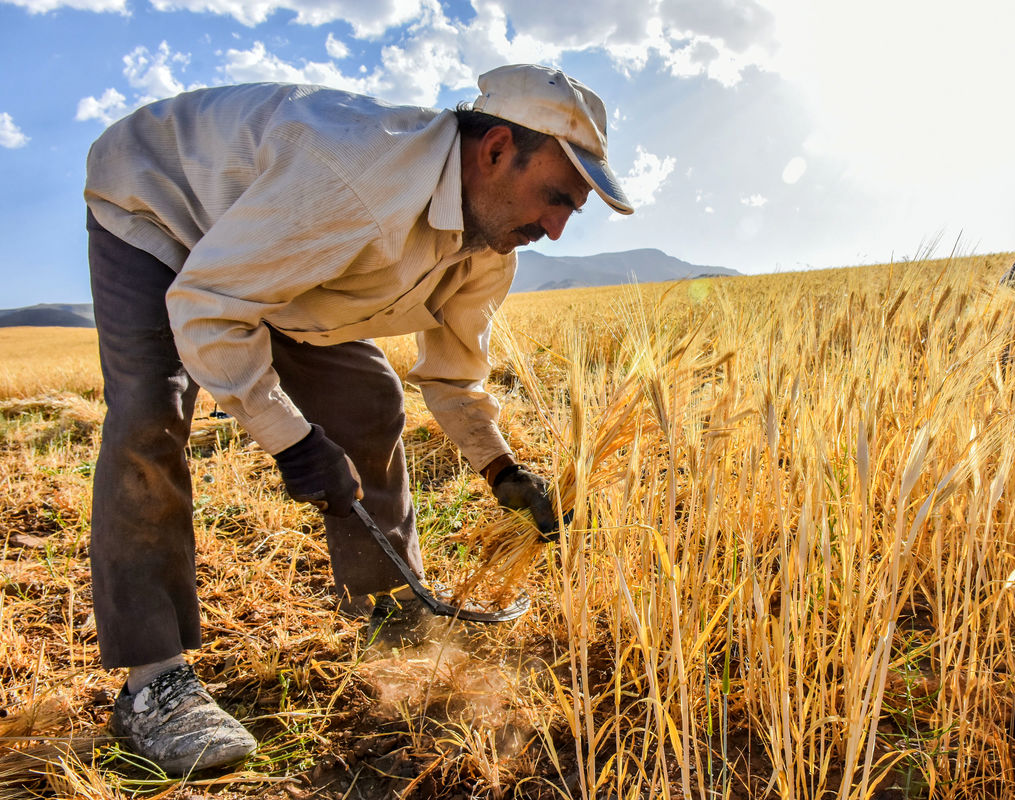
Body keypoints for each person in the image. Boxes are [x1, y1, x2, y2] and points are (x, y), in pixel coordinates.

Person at [83, 63, 633, 776]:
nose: (556, 230)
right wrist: (292, 440)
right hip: (160, 205)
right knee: (149, 419)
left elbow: (452, 373)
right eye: (556, 197)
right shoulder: (354, 184)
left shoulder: (489, 246)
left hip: (272, 254)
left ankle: (392, 610)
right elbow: (211, 303)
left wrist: (502, 471)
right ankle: (153, 685)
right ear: (497, 149)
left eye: (573, 210)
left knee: (369, 399)